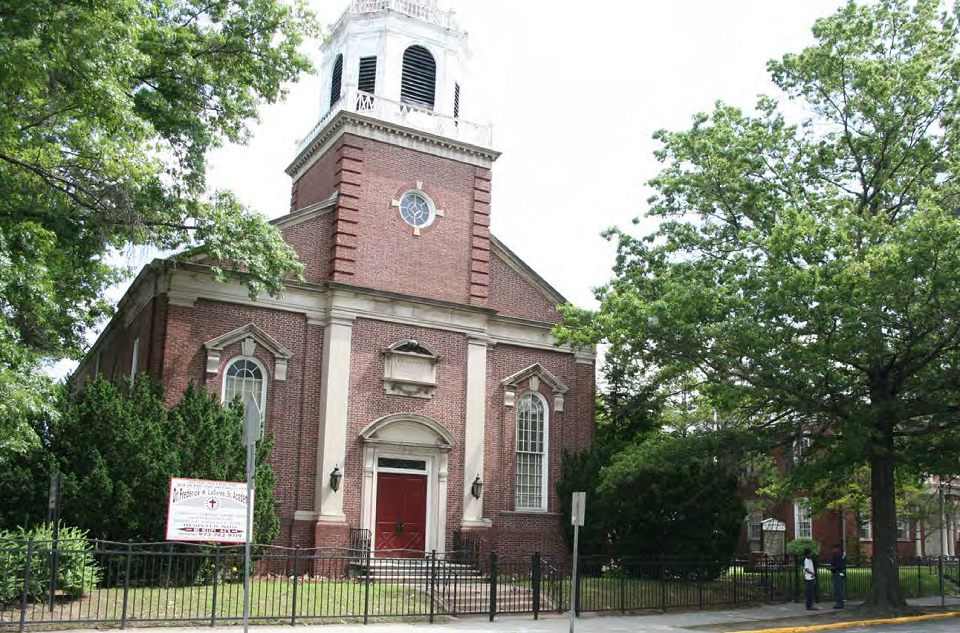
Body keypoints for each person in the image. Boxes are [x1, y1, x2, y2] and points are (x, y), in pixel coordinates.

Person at [828, 543, 846, 608]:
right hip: (839, 573)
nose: (832, 550)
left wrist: (831, 568)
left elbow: (837, 565)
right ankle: (839, 603)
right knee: (839, 588)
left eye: (833, 549)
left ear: (836, 549)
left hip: (837, 573)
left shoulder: (837, 555)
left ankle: (839, 603)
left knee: (838, 589)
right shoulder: (840, 555)